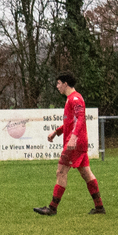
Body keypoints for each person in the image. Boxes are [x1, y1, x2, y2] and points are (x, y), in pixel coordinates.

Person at [32, 72, 104, 215]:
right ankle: (99, 207)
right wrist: (56, 132)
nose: (57, 86)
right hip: (79, 142)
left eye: (58, 83)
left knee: (61, 171)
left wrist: (73, 137)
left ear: (65, 84)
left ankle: (52, 208)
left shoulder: (75, 99)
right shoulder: (71, 99)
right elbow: (70, 122)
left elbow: (80, 118)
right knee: (86, 173)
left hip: (75, 143)